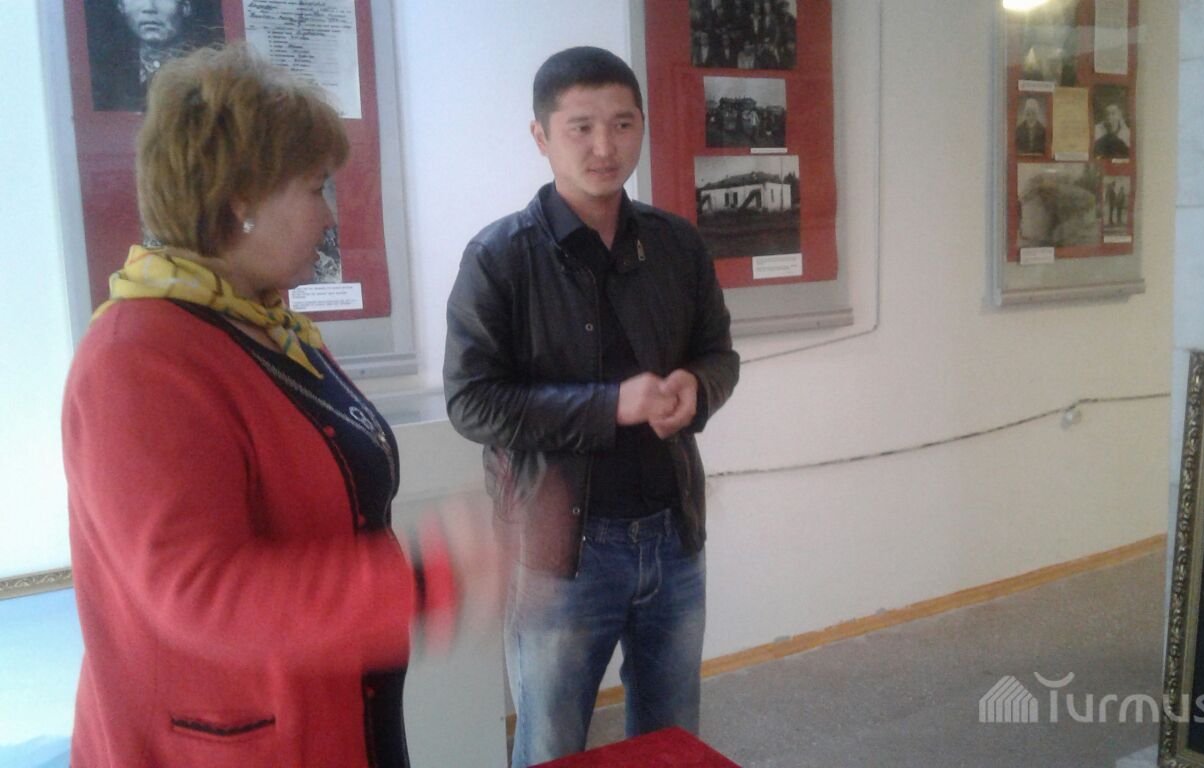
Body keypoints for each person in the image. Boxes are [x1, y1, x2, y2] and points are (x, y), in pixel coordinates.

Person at [63, 44, 462, 767]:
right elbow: (201, 592)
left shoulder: (271, 324)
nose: (330, 216)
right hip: (230, 743)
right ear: (241, 198)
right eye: (314, 188)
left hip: (335, 705)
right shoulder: (135, 357)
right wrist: (418, 582)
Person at [443, 46, 739, 767]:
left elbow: (719, 355)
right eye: (581, 127)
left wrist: (698, 388)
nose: (605, 147)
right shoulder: (499, 257)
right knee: (551, 742)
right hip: (558, 552)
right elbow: (472, 402)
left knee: (672, 741)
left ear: (642, 126)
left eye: (622, 123)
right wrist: (610, 407)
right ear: (541, 136)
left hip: (673, 535)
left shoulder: (676, 245)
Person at [90, 0, 215, 112]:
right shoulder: (105, 76)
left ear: (185, 7)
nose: (149, 8)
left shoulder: (208, 71)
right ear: (121, 6)